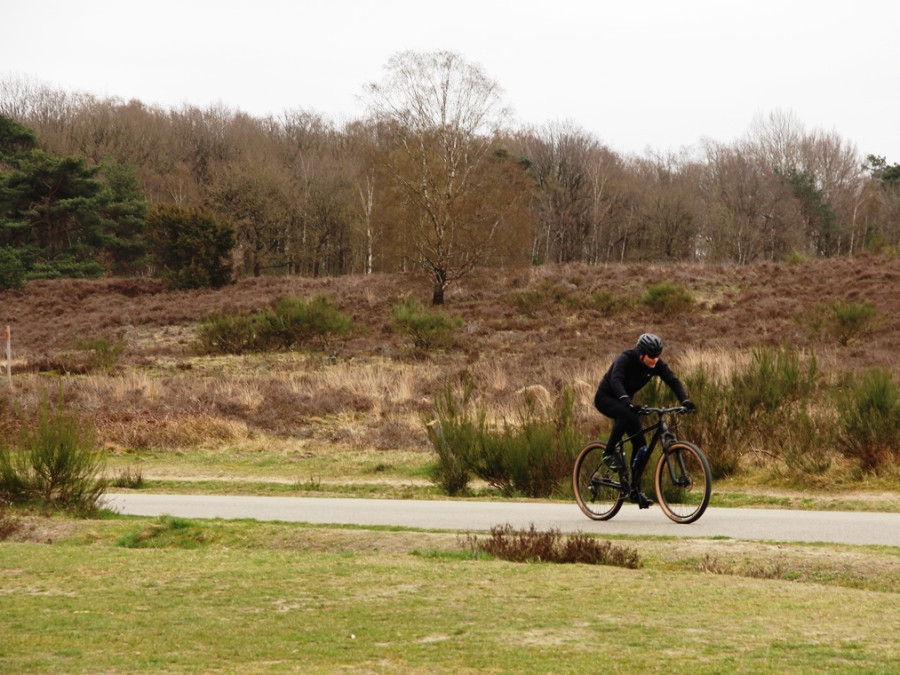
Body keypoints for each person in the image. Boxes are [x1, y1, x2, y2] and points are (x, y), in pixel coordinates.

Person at [593, 333, 695, 509]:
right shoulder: (625, 359)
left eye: (658, 356)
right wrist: (627, 401)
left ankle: (635, 490)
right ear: (641, 354)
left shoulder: (656, 364)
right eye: (652, 356)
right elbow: (615, 380)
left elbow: (673, 381)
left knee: (640, 445)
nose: (656, 359)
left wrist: (684, 400)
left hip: (626, 402)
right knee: (627, 415)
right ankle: (608, 453)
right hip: (606, 398)